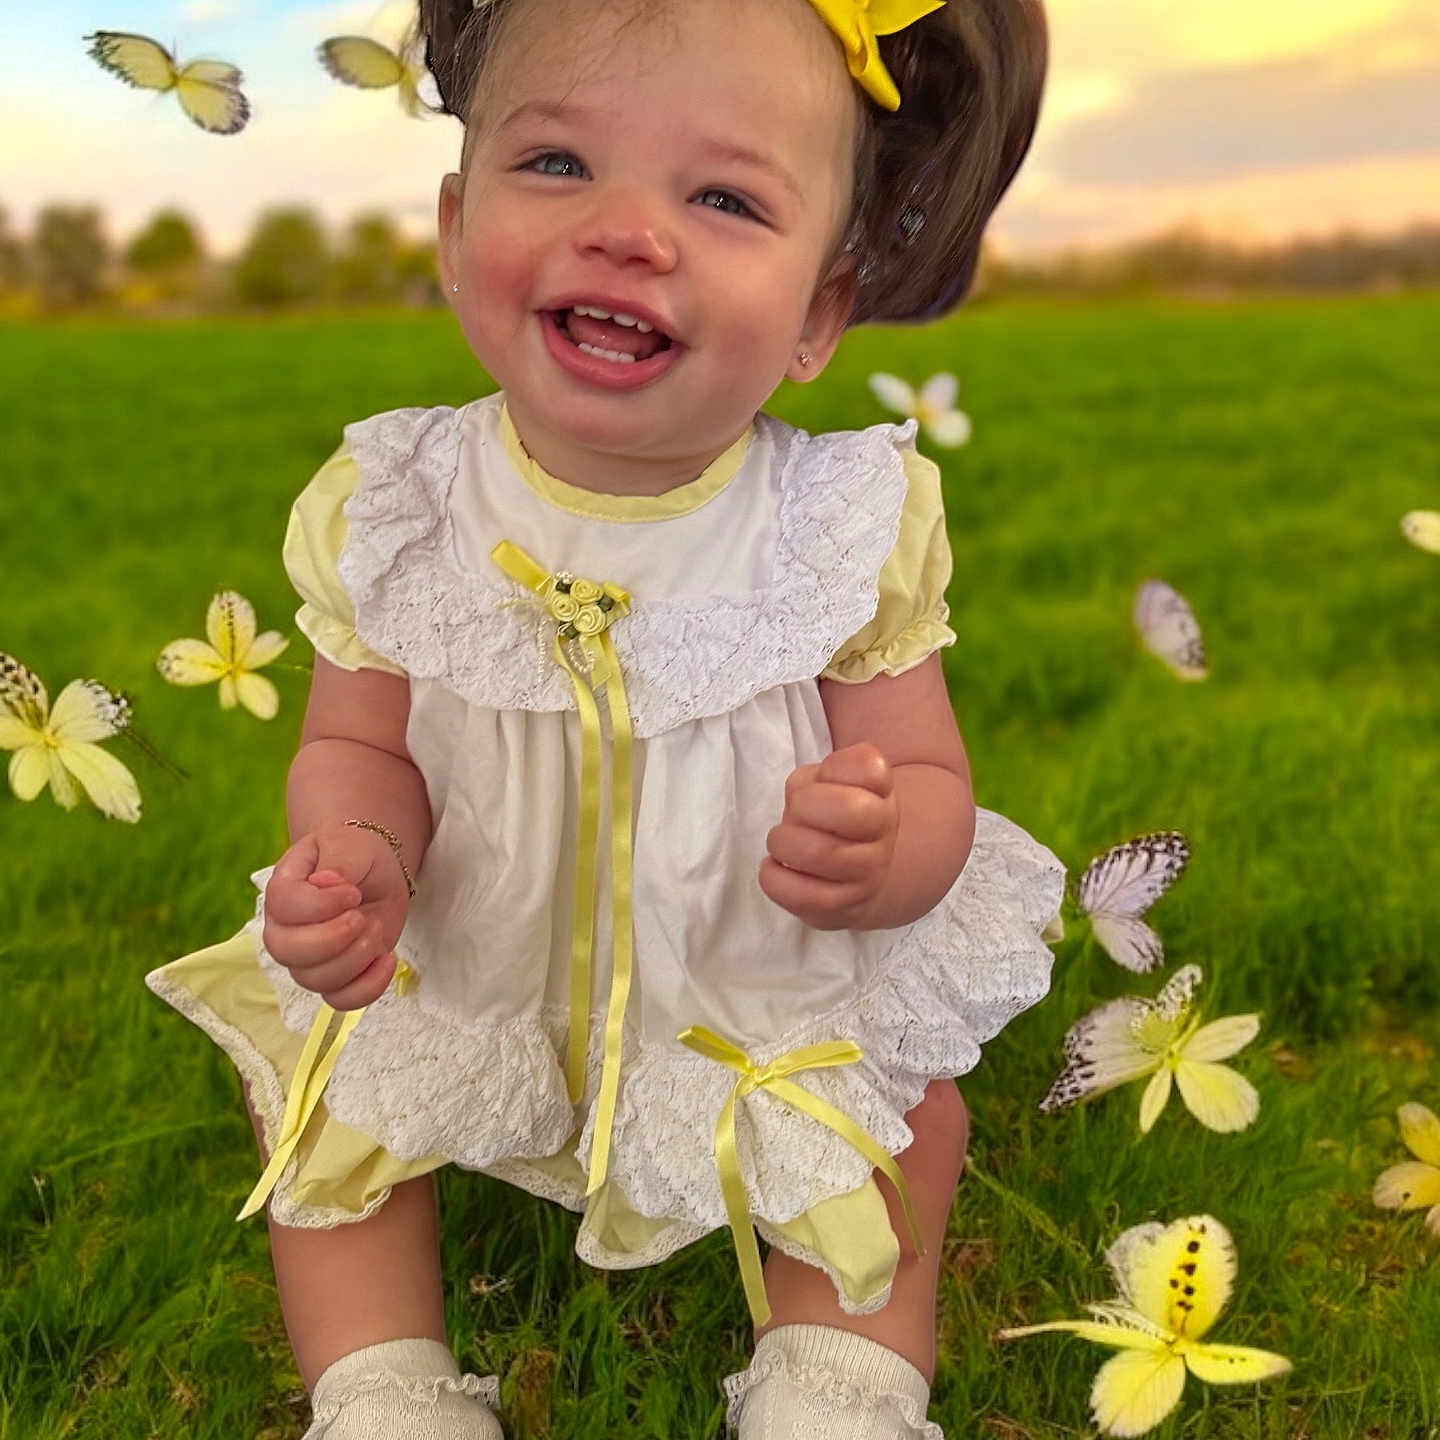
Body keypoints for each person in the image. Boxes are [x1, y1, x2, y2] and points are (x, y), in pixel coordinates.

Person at [144, 0, 1062, 1435]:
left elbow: (933, 771)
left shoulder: (836, 527)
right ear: (456, 229)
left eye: (724, 197)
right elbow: (356, 742)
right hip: (468, 947)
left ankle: (840, 1374)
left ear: (822, 308)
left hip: (747, 964)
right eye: (559, 165)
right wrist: (356, 848)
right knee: (331, 1100)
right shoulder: (398, 508)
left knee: (897, 1119)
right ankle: (382, 1386)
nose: (630, 231)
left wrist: (893, 848)